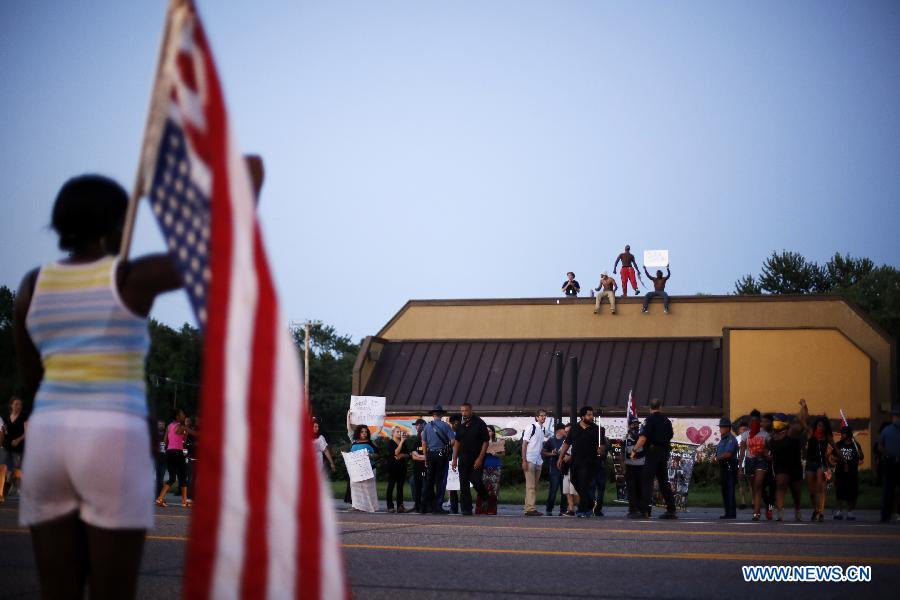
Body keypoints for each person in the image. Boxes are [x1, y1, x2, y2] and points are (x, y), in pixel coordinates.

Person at [12, 174, 182, 598]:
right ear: (118, 222)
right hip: (112, 433)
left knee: (58, 591)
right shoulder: (129, 277)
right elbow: (208, 256)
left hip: (48, 436)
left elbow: (32, 380)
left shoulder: (32, 284)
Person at [630, 398, 677, 519]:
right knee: (663, 481)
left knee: (647, 481)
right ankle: (671, 509)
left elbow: (643, 438)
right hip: (664, 453)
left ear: (650, 408)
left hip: (652, 453)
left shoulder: (649, 420)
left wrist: (634, 450)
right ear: (660, 407)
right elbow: (670, 435)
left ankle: (645, 510)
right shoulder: (666, 421)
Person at [557, 406, 601, 518]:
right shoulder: (574, 428)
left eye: (592, 415)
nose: (591, 417)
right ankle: (591, 503)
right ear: (582, 417)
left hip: (590, 462)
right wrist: (560, 457)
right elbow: (567, 443)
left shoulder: (597, 429)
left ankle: (583, 510)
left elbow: (603, 445)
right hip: (576, 462)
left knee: (584, 484)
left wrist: (602, 449)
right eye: (589, 415)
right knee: (575, 481)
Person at [768, 402, 807, 522]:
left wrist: (804, 407)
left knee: (796, 490)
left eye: (777, 420)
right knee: (781, 485)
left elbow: (803, 425)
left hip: (794, 465)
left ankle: (797, 510)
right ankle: (780, 512)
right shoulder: (772, 436)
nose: (775, 422)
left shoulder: (791, 432)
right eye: (774, 420)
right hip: (780, 465)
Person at [451, 403, 490, 516]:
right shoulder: (460, 424)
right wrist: (454, 459)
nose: (464, 413)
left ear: (471, 410)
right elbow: (457, 442)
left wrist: (480, 458)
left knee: (476, 480)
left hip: (476, 458)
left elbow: (485, 442)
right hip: (463, 459)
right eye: (462, 411)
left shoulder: (479, 423)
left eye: (466, 411)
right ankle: (466, 509)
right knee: (463, 484)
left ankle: (485, 496)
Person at [421, 405, 454, 514]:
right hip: (441, 455)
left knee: (429, 481)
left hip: (430, 454)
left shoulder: (427, 427)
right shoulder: (446, 426)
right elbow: (453, 441)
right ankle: (437, 507)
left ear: (433, 414)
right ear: (441, 414)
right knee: (440, 481)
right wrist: (447, 446)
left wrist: (425, 457)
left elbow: (424, 443)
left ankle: (424, 506)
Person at [737, 409, 770, 521]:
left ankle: (757, 512)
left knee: (758, 485)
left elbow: (770, 449)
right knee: (755, 488)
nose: (754, 422)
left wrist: (766, 453)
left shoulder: (765, 434)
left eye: (757, 420)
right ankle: (761, 509)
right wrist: (740, 466)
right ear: (750, 421)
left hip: (761, 461)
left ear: (759, 421)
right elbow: (742, 451)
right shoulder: (745, 435)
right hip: (750, 461)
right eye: (752, 420)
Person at [156, 409, 188, 508]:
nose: (184, 415)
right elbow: (184, 439)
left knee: (172, 478)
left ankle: (160, 498)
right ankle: (184, 501)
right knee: (183, 476)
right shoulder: (181, 426)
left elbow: (165, 441)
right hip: (178, 452)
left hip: (169, 452)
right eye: (182, 414)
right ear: (177, 417)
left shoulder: (169, 426)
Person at [805, 414, 835, 522]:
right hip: (810, 463)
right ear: (815, 426)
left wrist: (843, 460)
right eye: (819, 426)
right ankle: (816, 509)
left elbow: (835, 448)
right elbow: (803, 421)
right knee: (812, 492)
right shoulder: (811, 434)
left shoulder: (827, 436)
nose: (820, 428)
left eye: (822, 426)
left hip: (822, 463)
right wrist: (804, 406)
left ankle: (821, 512)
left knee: (820, 488)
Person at [346, 418, 379, 513]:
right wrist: (348, 416)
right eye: (362, 432)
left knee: (368, 489)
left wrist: (370, 455)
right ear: (358, 433)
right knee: (355, 488)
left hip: (369, 469)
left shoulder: (371, 442)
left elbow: (377, 455)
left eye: (365, 431)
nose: (364, 433)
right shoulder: (354, 442)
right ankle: (356, 506)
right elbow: (349, 428)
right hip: (356, 470)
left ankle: (369, 507)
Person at [834, 425, 863, 520]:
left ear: (847, 434)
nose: (841, 435)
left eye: (843, 433)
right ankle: (839, 511)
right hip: (840, 471)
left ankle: (850, 512)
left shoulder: (855, 445)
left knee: (851, 491)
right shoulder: (838, 444)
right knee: (840, 491)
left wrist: (859, 453)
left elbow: (861, 457)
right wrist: (837, 459)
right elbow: (833, 457)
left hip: (852, 472)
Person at [0, 397, 27, 501]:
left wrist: (18, 440)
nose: (17, 406)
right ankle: (5, 490)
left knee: (17, 469)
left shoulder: (24, 416)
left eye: (19, 404)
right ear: (11, 405)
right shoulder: (6, 417)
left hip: (18, 447)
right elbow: (4, 431)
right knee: (5, 469)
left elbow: (27, 432)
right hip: (6, 446)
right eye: (15, 404)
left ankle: (18, 490)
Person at [521, 408, 547, 516]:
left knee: (534, 485)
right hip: (530, 459)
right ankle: (531, 508)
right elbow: (524, 444)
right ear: (536, 417)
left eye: (545, 416)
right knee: (531, 485)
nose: (543, 417)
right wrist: (524, 460)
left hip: (538, 460)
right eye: (541, 415)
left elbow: (540, 446)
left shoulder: (542, 429)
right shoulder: (531, 427)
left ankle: (528, 507)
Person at [878, 409, 900, 523]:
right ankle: (885, 515)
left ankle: (891, 513)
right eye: (895, 417)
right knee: (888, 489)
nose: (897, 419)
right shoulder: (887, 430)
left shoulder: (887, 430)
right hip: (890, 462)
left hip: (893, 460)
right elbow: (880, 445)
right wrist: (886, 453)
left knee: (889, 489)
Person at [715, 417, 739, 519]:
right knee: (725, 490)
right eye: (720, 427)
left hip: (729, 465)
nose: (720, 429)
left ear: (728, 428)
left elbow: (728, 454)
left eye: (723, 427)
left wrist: (716, 458)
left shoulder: (730, 439)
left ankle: (731, 513)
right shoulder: (723, 439)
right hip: (724, 466)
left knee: (729, 490)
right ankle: (728, 512)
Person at [543, 423, 568, 516]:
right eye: (563, 429)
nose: (565, 431)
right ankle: (549, 509)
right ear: (558, 430)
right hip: (554, 468)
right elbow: (544, 452)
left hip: (565, 467)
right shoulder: (551, 440)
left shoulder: (567, 440)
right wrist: (552, 454)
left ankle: (563, 510)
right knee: (553, 490)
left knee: (564, 491)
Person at [624, 414, 645, 518]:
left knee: (641, 489)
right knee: (631, 490)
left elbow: (646, 451)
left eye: (637, 424)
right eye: (633, 424)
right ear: (629, 426)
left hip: (641, 466)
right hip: (630, 467)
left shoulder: (643, 437)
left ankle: (643, 510)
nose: (635, 426)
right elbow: (622, 454)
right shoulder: (626, 437)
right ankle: (632, 510)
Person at [385, 426, 410, 513]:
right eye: (397, 432)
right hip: (392, 467)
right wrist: (402, 442)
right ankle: (390, 506)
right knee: (391, 486)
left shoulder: (404, 443)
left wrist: (403, 455)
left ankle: (400, 506)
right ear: (393, 433)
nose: (400, 433)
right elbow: (395, 452)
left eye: (400, 431)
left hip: (402, 467)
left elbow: (408, 454)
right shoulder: (390, 442)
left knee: (400, 487)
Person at [482, 425, 504, 515]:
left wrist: (496, 454)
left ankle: (492, 509)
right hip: (484, 466)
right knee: (484, 488)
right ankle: (483, 508)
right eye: (486, 431)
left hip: (495, 466)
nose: (488, 432)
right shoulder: (482, 442)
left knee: (494, 488)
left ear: (493, 432)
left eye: (490, 431)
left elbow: (503, 453)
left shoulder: (497, 441)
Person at [409, 418, 427, 513]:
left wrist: (420, 456)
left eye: (419, 425)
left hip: (425, 468)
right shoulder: (416, 441)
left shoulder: (428, 441)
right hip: (417, 468)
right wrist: (422, 457)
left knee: (425, 486)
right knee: (413, 482)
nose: (417, 427)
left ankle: (425, 505)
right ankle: (417, 503)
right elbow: (413, 456)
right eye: (416, 425)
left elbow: (428, 456)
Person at [593, 416, 609, 517]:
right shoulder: (597, 441)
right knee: (597, 488)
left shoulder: (604, 442)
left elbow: (604, 452)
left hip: (599, 466)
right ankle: (596, 508)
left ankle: (597, 508)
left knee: (599, 488)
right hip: (596, 466)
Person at [183, 416, 199, 507]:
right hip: (192, 458)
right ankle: (189, 498)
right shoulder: (191, 431)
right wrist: (194, 445)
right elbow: (186, 444)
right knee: (191, 479)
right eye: (197, 419)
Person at [735, 420, 750, 510]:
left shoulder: (751, 437)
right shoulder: (736, 439)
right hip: (740, 465)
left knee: (752, 484)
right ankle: (743, 502)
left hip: (749, 463)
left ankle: (753, 502)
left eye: (745, 429)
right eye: (742, 429)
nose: (743, 430)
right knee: (741, 484)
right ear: (739, 430)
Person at [153, 418, 167, 500]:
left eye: (162, 424)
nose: (161, 426)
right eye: (159, 424)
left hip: (164, 459)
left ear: (164, 426)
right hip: (156, 458)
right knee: (157, 477)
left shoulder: (167, 434)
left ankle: (160, 495)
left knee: (161, 478)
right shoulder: (155, 434)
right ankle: (156, 495)